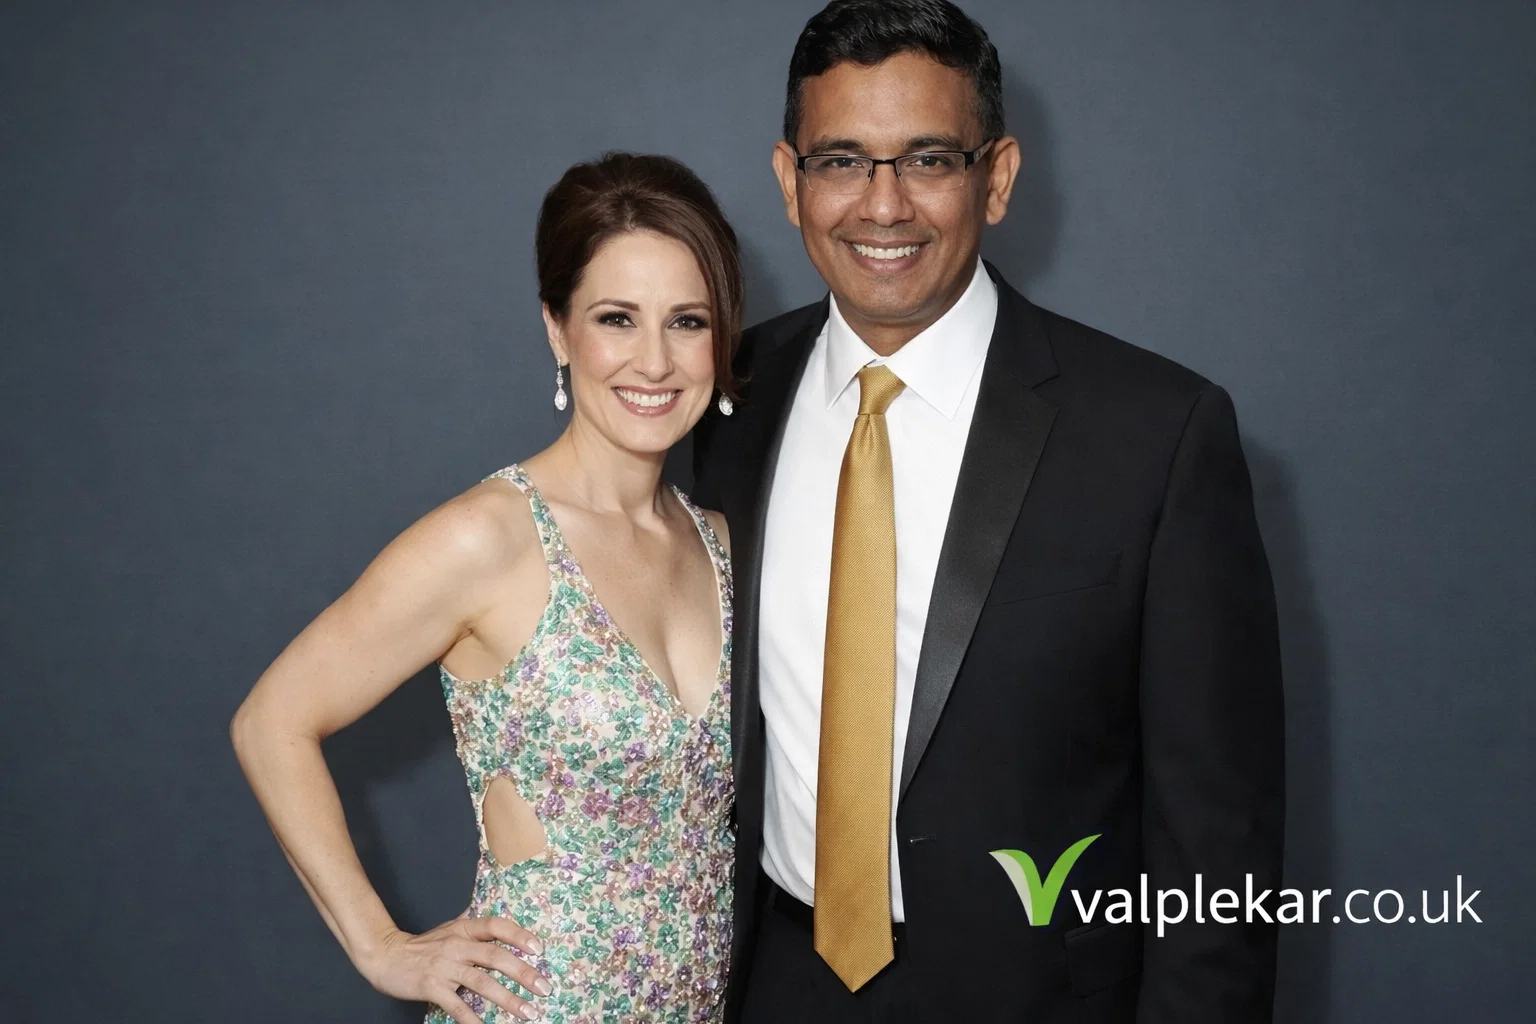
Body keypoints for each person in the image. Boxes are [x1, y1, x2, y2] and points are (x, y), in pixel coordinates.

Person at [690, 2, 1285, 1021]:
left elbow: (1219, 843)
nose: (883, 206)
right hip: (772, 986)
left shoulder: (1158, 433)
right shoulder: (720, 404)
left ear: (997, 178)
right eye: (842, 162)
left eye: (928, 159)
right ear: (790, 182)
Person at [232, 152, 743, 1024]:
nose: (655, 361)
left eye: (687, 322)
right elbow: (271, 722)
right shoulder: (491, 539)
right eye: (616, 319)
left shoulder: (723, 544)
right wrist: (379, 944)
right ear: (558, 330)